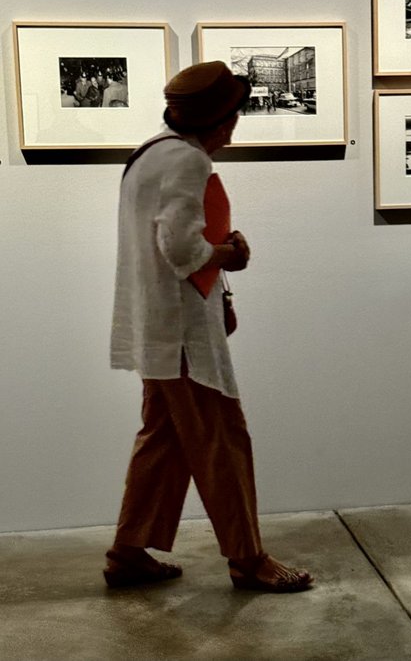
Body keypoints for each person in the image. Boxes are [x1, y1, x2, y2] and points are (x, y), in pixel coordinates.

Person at [106, 61, 313, 593]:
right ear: (224, 121)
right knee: (223, 438)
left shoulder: (150, 153)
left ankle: (128, 552)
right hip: (183, 334)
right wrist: (230, 255)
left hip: (160, 325)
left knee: (165, 439)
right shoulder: (188, 161)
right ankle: (248, 558)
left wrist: (220, 281)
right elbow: (181, 250)